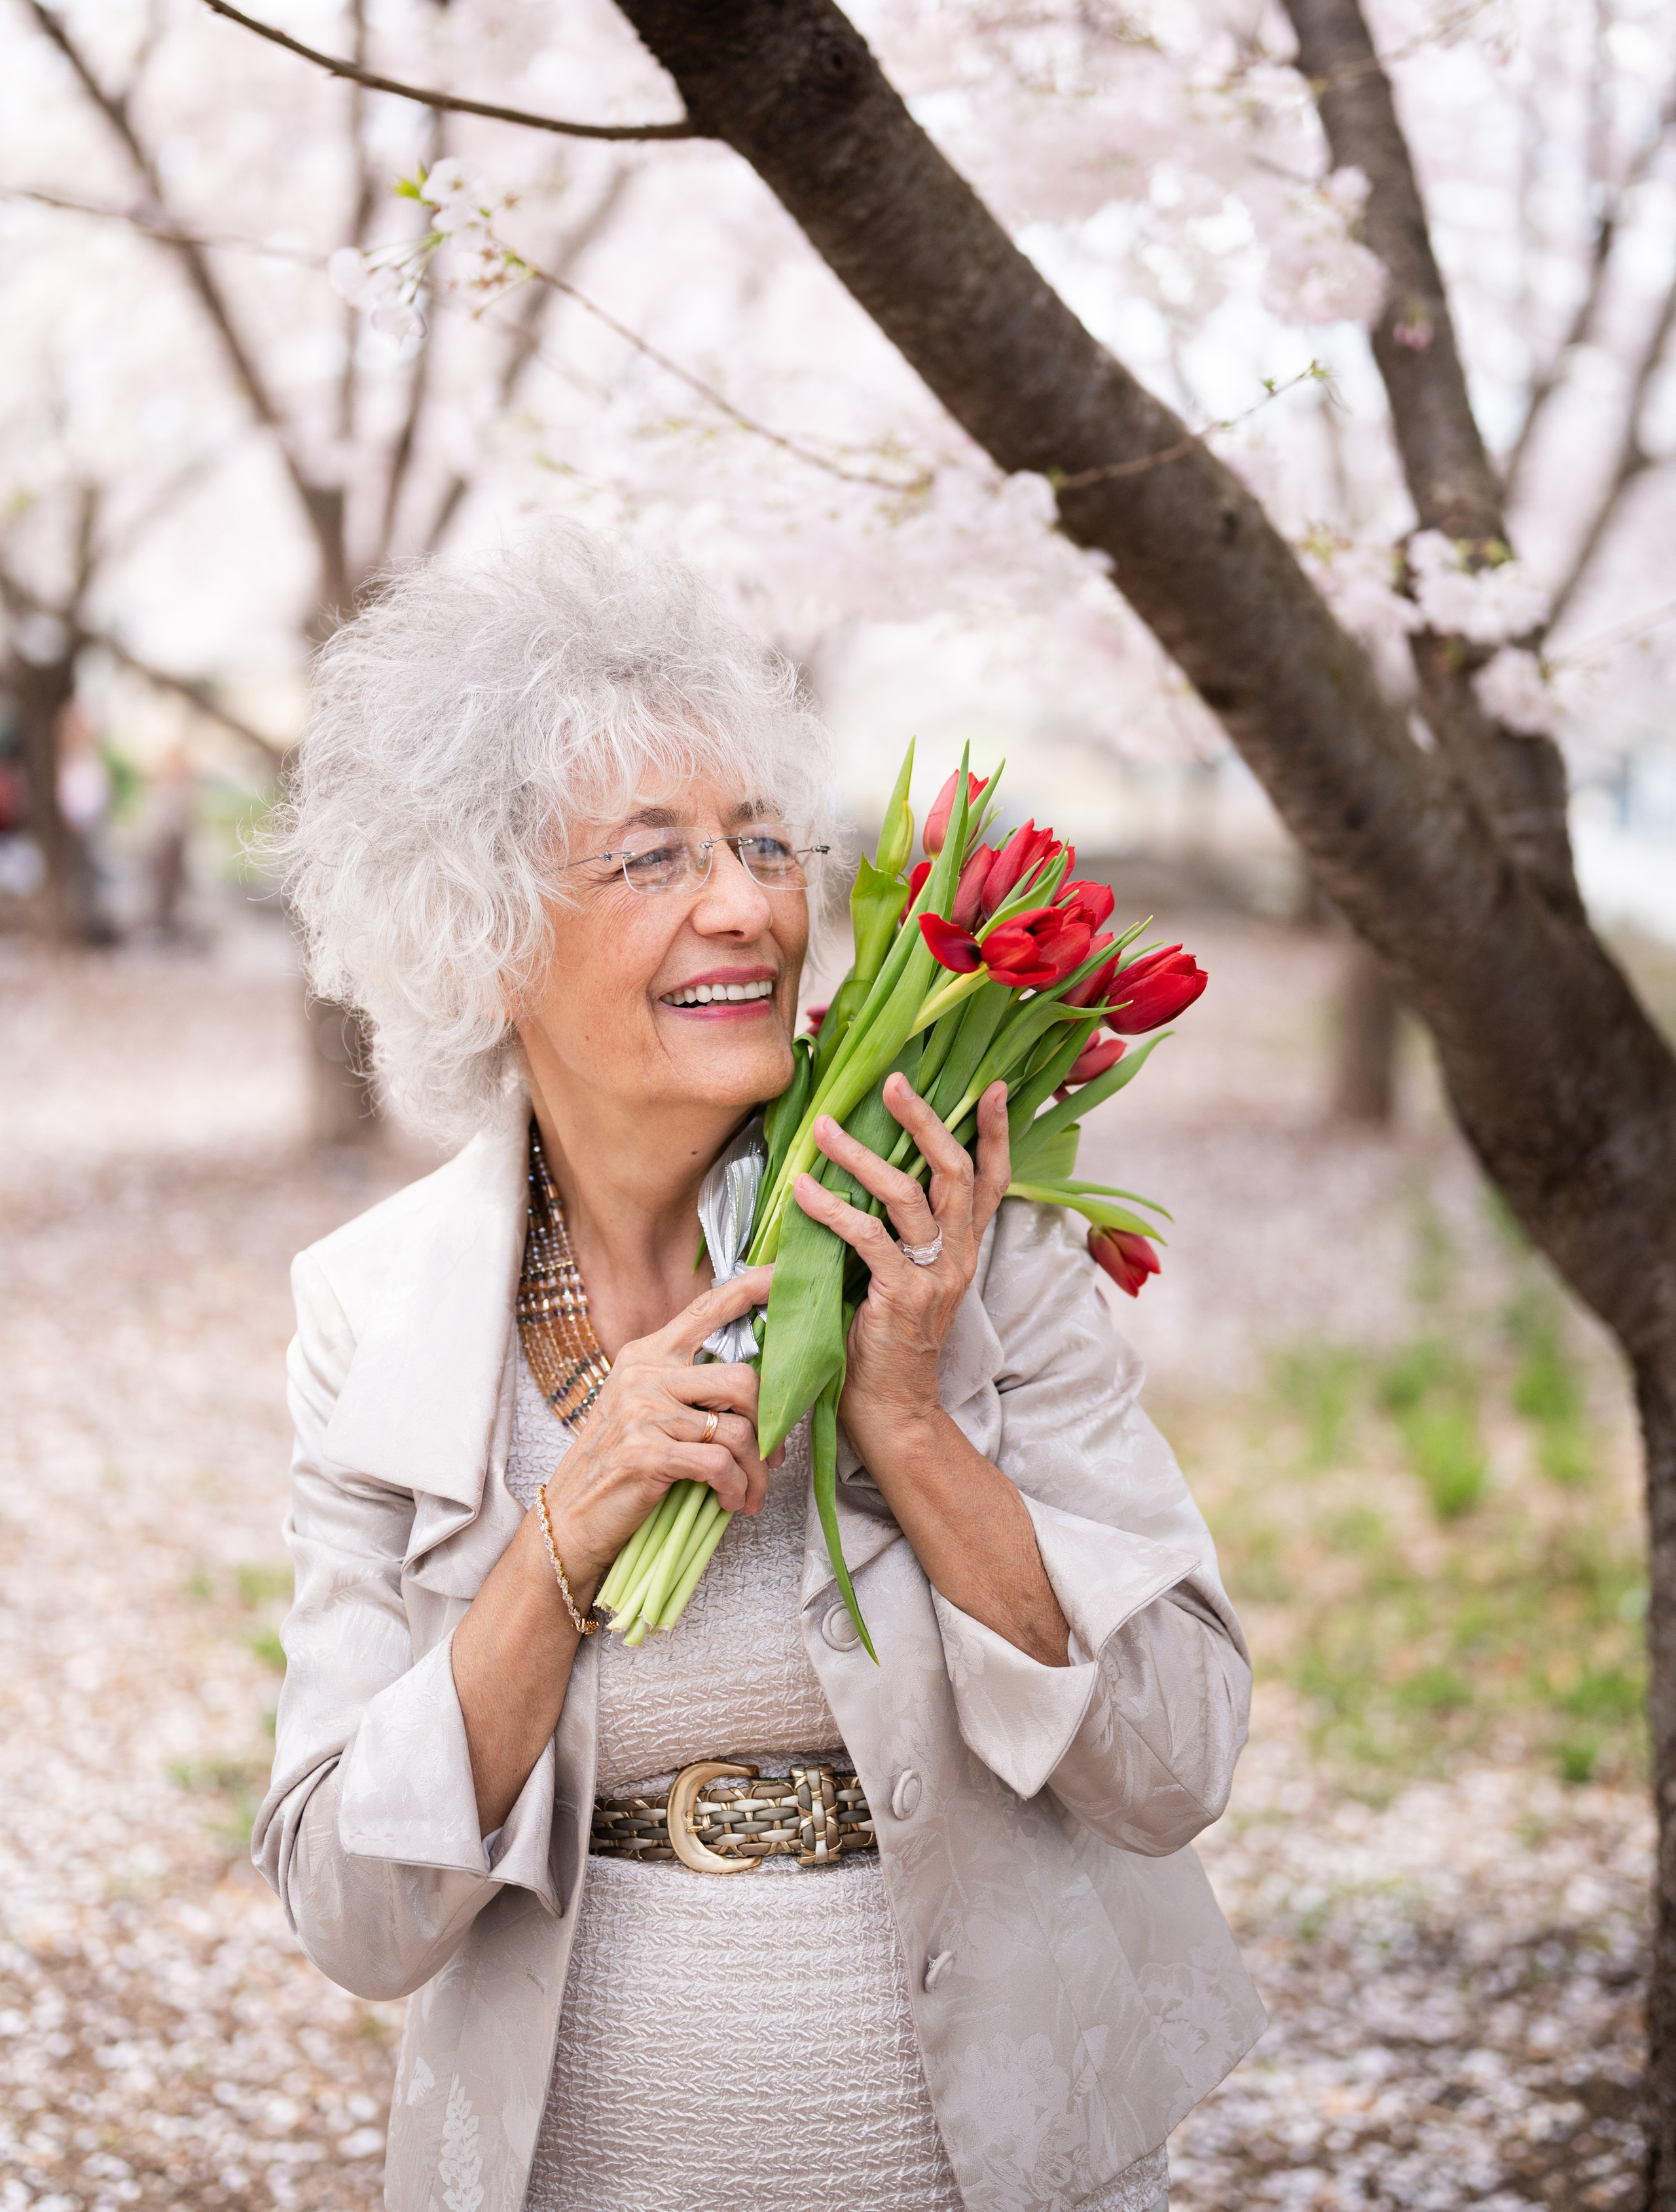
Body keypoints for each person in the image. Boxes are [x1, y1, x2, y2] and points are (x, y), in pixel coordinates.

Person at [254, 534, 1263, 2212]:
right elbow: (355, 1912)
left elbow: (1174, 1763)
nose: (747, 903)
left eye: (760, 842)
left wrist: (910, 1419)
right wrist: (564, 1534)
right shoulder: (380, 1312)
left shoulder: (964, 1240)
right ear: (487, 931)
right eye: (651, 860)